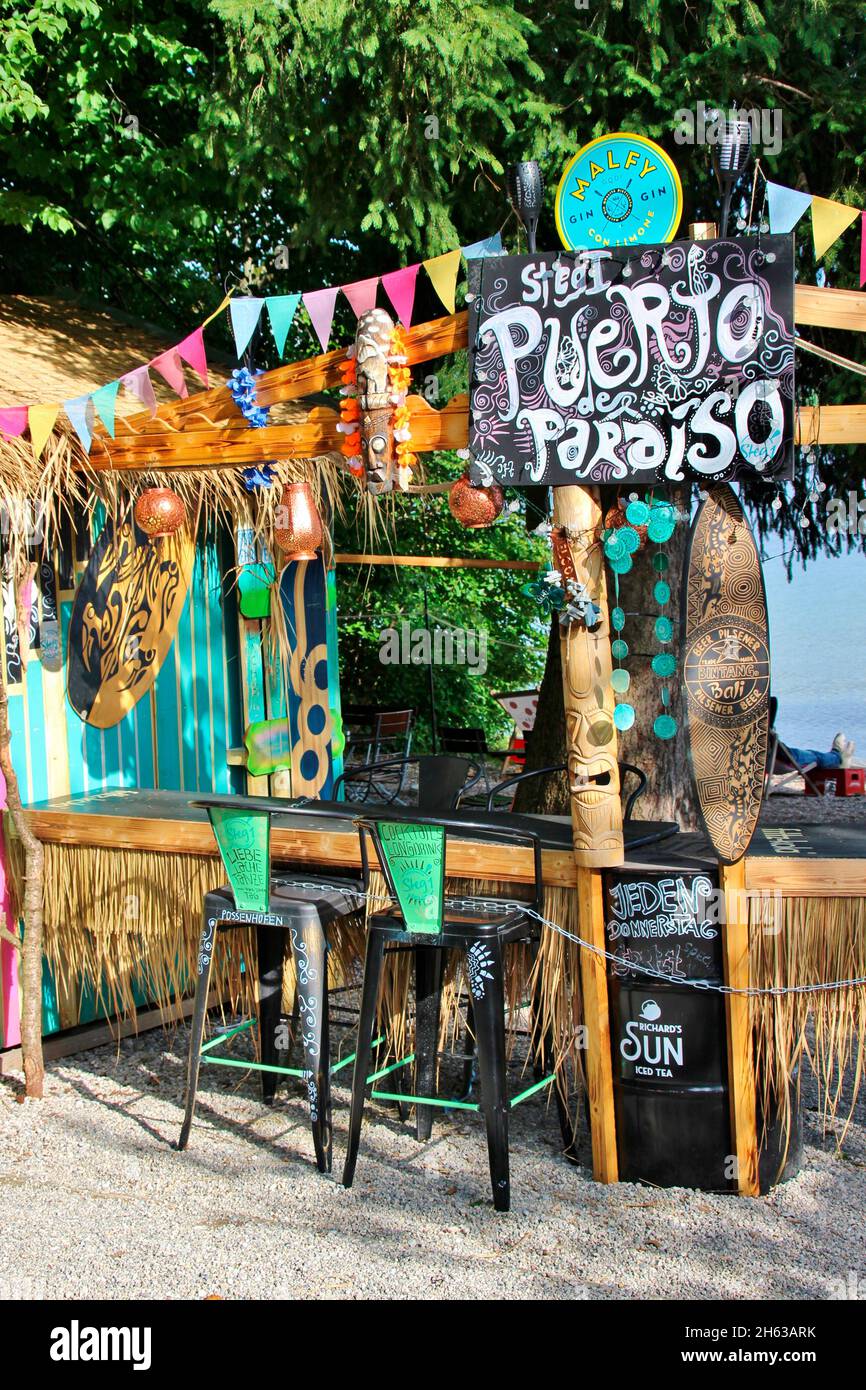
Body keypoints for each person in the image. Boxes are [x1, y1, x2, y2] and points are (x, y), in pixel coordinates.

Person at [785, 732, 856, 771]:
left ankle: (836, 754)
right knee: (816, 757)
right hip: (788, 757)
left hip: (780, 757)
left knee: (813, 754)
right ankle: (838, 756)